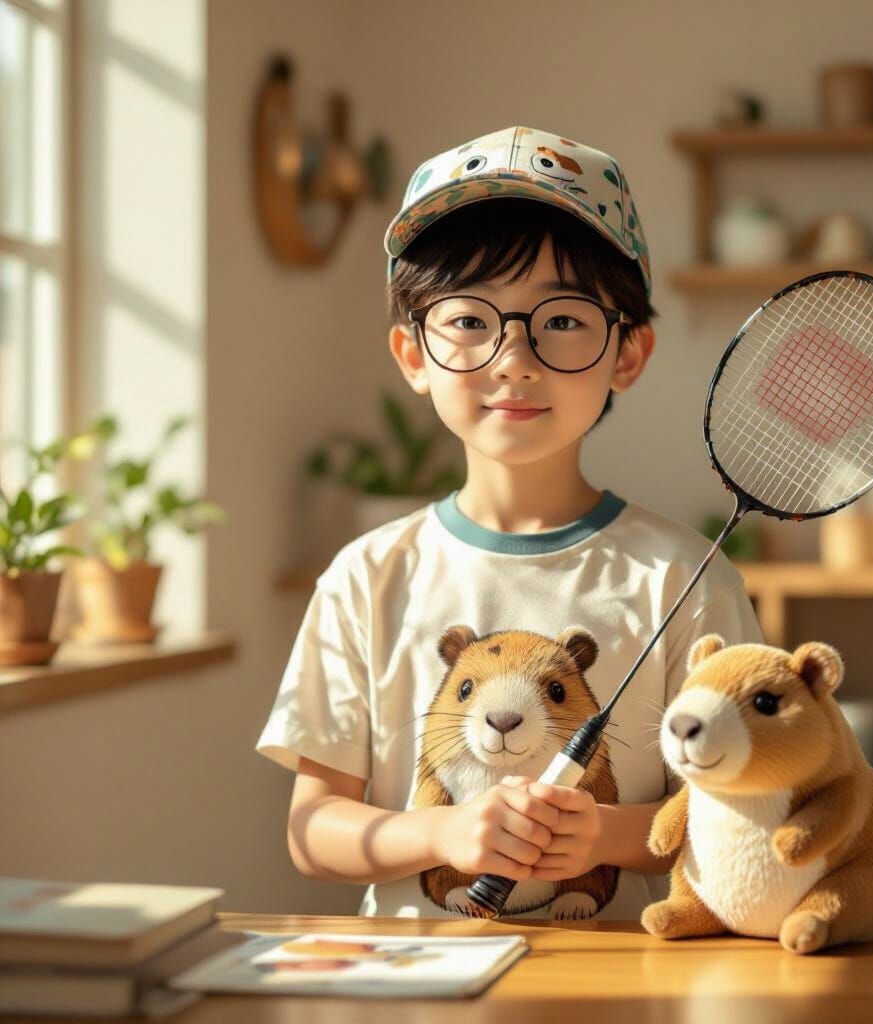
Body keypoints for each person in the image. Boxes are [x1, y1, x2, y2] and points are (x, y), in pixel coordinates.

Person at [256, 125, 763, 919]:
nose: (512, 359)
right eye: (468, 321)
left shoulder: (685, 578)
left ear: (627, 354)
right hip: (410, 994)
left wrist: (606, 835)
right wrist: (445, 835)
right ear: (413, 354)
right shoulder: (366, 575)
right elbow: (314, 830)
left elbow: (745, 814)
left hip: (617, 994)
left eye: (560, 320)